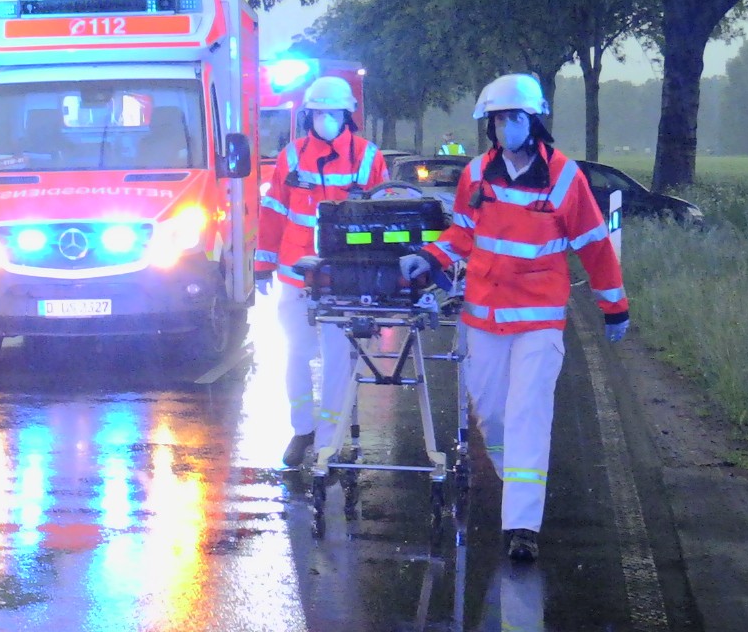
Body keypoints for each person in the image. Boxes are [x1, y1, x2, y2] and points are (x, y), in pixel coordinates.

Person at [398, 73, 629, 562]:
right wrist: (432, 257)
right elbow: (462, 233)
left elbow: (594, 247)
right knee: (492, 414)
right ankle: (516, 478)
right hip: (483, 317)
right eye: (499, 119)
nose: (507, 128)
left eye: (515, 118)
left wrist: (614, 306)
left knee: (528, 414)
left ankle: (521, 525)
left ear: (534, 121)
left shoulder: (566, 178)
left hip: (539, 321)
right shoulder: (476, 175)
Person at [253, 75, 390, 469]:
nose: (324, 119)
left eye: (332, 113)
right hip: (297, 273)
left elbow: (383, 221)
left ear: (347, 116)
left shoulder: (367, 157)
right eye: (318, 113)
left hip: (346, 277)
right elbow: (274, 212)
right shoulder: (291, 157)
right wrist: (263, 265)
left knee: (338, 359)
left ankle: (328, 443)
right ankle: (302, 429)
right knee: (295, 353)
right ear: (307, 116)